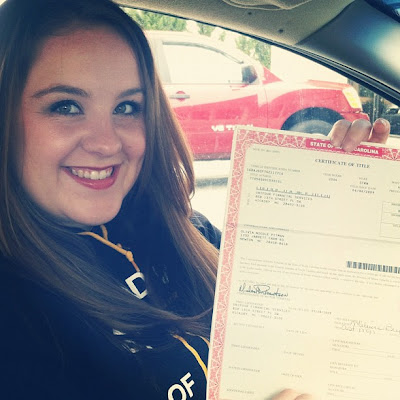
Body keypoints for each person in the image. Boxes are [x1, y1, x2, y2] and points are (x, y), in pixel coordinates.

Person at [0, 0, 390, 398]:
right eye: (66, 107)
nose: (107, 143)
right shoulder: (14, 310)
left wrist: (348, 200)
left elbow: (306, 324)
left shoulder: (183, 228)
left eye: (127, 107)